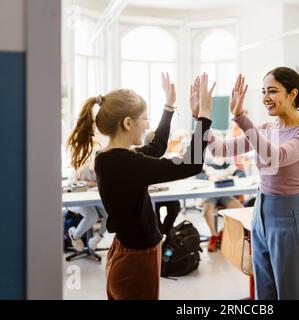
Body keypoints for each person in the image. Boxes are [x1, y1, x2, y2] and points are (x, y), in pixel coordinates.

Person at [67, 72, 214, 300]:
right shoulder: (126, 163)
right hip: (135, 259)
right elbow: (191, 165)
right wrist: (204, 117)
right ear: (128, 123)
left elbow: (156, 147)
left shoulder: (109, 158)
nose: (147, 126)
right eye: (145, 119)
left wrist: (169, 106)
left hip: (128, 252)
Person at [205, 67, 299, 299]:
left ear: (291, 94)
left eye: (273, 91)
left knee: (292, 292)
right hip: (261, 214)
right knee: (264, 292)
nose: (266, 97)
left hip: (290, 216)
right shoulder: (266, 129)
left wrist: (241, 118)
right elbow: (220, 149)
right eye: (263, 91)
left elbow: (277, 157)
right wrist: (201, 117)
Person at [196, 152, 245, 252]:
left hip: (225, 195)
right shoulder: (206, 166)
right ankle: (214, 235)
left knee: (240, 209)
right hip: (210, 196)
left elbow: (242, 174)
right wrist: (209, 177)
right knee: (207, 210)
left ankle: (223, 232)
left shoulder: (228, 166)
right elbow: (197, 175)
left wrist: (235, 177)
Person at [67, 155, 108, 252]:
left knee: (110, 214)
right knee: (92, 216)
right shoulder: (82, 167)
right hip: (78, 199)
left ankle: (97, 237)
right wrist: (88, 184)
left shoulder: (104, 169)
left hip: (94, 200)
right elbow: (70, 183)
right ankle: (75, 236)